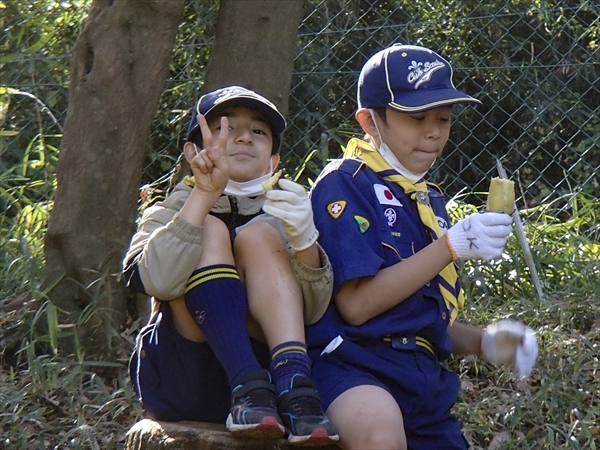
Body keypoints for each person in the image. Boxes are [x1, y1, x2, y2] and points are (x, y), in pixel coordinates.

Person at [306, 44, 539, 449]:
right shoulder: (345, 183)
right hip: (354, 365)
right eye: (416, 118)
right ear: (370, 121)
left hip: (422, 378)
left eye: (444, 119)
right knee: (380, 437)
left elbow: (410, 314)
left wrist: (483, 342)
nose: (433, 131)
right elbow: (358, 307)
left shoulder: (427, 199)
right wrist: (449, 246)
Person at [123, 86, 338, 446]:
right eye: (224, 128)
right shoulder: (166, 210)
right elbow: (155, 281)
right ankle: (246, 382)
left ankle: (294, 383)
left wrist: (304, 244)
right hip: (187, 377)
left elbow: (314, 312)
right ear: (194, 150)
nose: (242, 137)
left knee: (259, 237)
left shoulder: (288, 210)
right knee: (207, 227)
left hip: (278, 390)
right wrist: (203, 196)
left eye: (258, 131)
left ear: (274, 161)